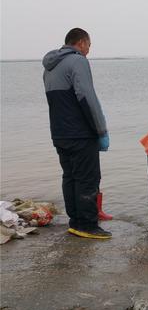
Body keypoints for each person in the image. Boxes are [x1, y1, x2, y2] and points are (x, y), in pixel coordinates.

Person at [43, 28, 111, 239]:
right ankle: (88, 225)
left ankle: (75, 222)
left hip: (60, 133)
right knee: (88, 178)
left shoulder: (49, 68)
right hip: (81, 134)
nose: (89, 50)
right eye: (89, 45)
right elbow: (86, 97)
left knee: (70, 177)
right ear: (81, 42)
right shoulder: (78, 61)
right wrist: (101, 131)